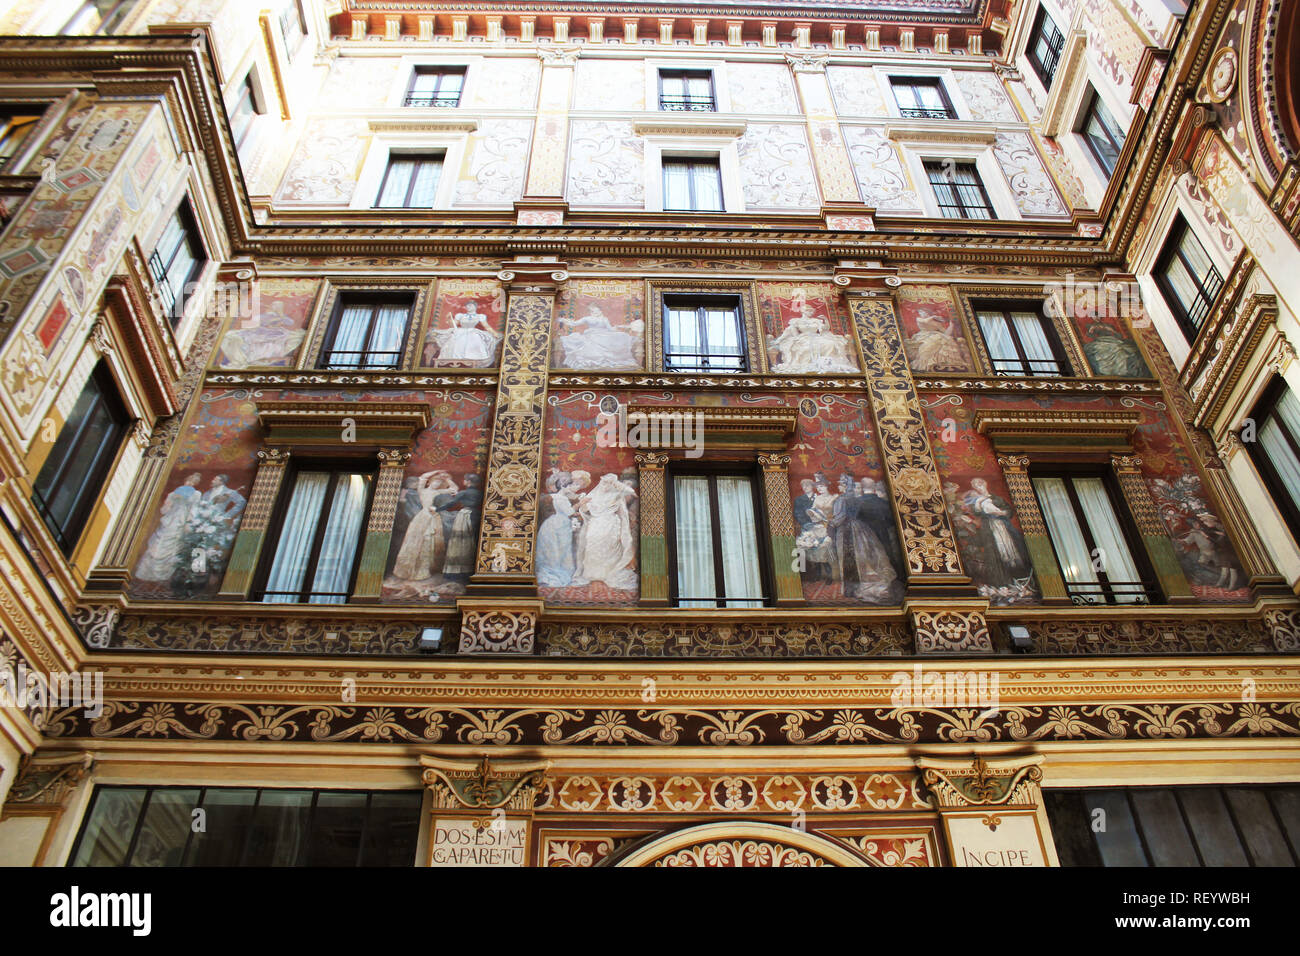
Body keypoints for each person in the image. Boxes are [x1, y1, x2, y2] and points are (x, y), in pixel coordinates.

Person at [828, 473, 902, 603]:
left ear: (845, 486)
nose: (838, 486)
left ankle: (852, 589)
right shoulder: (856, 498)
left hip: (846, 531)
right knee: (862, 557)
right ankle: (860, 585)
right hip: (859, 529)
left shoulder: (841, 500)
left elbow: (840, 518)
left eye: (840, 484)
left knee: (848, 558)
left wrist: (830, 525)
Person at [572, 473, 637, 591]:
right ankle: (593, 575)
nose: (605, 485)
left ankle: (607, 575)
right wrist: (584, 504)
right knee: (592, 547)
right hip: (596, 524)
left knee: (610, 548)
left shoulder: (617, 495)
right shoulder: (595, 495)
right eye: (603, 482)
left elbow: (629, 494)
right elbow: (587, 510)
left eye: (608, 483)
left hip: (611, 524)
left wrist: (616, 484)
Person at [391, 471, 458, 580]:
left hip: (433, 517)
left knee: (428, 541)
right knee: (415, 541)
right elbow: (423, 477)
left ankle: (424, 570)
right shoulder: (422, 490)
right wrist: (438, 471)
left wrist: (446, 479)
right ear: (430, 482)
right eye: (435, 482)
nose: (436, 484)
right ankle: (409, 570)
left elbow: (454, 488)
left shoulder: (438, 492)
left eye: (438, 483)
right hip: (422, 517)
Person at [135, 472, 202, 583]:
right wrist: (171, 501)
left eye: (193, 482)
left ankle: (164, 574)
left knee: (174, 544)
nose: (189, 483)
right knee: (159, 541)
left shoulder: (196, 494)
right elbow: (163, 510)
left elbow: (194, 508)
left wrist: (189, 522)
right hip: (169, 519)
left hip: (182, 519)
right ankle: (148, 572)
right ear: (184, 481)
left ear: (195, 484)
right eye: (188, 481)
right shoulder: (173, 494)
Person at [963, 478, 1030, 582]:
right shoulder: (977, 500)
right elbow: (976, 513)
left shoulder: (997, 499)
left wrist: (1002, 513)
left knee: (1012, 548)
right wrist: (979, 502)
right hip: (990, 527)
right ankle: (1003, 579)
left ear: (985, 484)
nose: (979, 487)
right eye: (976, 486)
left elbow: (1009, 511)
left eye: (980, 484)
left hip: (1004, 526)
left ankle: (1020, 574)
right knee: (996, 550)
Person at [768, 303, 859, 374]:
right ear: (804, 311)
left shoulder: (815, 321)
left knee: (829, 344)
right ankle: (805, 364)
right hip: (803, 338)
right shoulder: (797, 321)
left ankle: (827, 364)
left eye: (812, 311)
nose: (811, 313)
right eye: (809, 311)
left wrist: (825, 320)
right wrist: (778, 340)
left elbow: (825, 328)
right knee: (805, 347)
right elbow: (788, 331)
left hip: (817, 337)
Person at [538, 471, 590, 587]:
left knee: (560, 549)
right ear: (563, 486)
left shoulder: (559, 496)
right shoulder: (561, 498)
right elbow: (569, 512)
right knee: (561, 549)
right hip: (558, 525)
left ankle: (560, 570)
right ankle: (558, 574)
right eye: (571, 485)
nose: (574, 487)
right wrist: (581, 503)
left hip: (558, 523)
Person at [218, 301, 306, 367]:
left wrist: (280, 315)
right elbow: (255, 322)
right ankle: (242, 359)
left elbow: (290, 322)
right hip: (260, 332)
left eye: (276, 305)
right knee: (232, 336)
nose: (274, 306)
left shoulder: (280, 316)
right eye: (273, 304)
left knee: (293, 337)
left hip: (275, 333)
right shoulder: (263, 316)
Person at [556, 304, 639, 369]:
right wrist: (617, 328)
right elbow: (611, 329)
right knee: (594, 344)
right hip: (594, 336)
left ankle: (599, 363)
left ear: (599, 311)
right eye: (594, 311)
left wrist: (618, 327)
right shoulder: (592, 318)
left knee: (604, 343)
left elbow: (574, 323)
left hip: (600, 336)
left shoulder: (600, 319)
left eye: (597, 311)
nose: (596, 312)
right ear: (592, 312)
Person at [435, 473, 483, 579]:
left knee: (460, 541)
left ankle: (456, 571)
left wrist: (437, 509)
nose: (464, 482)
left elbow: (451, 504)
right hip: (477, 515)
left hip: (464, 516)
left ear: (468, 482)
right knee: (471, 541)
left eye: (465, 480)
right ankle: (469, 569)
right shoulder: (480, 493)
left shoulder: (464, 492)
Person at [431, 300, 501, 366]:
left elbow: (487, 326)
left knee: (475, 339)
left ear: (475, 307)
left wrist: (494, 333)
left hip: (473, 332)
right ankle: (455, 359)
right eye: (467, 306)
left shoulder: (480, 316)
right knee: (455, 340)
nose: (468, 307)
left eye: (470, 305)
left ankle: (471, 359)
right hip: (460, 331)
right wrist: (449, 319)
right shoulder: (460, 315)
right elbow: (453, 325)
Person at [904, 308, 969, 371]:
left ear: (927, 313)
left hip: (936, 335)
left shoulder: (937, 323)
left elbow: (946, 333)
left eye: (923, 312)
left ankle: (942, 363)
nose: (921, 314)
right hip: (923, 336)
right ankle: (925, 365)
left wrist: (951, 325)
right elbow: (925, 321)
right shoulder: (919, 319)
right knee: (927, 346)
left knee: (945, 339)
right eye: (920, 312)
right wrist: (933, 317)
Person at [1083, 322, 1149, 378]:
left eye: (1097, 316)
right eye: (1095, 316)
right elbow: (1090, 334)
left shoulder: (1106, 325)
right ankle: (1121, 368)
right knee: (1115, 348)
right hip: (1101, 341)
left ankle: (1127, 365)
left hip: (1112, 340)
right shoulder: (1093, 326)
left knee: (1122, 348)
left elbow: (1116, 333)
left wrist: (1108, 330)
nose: (1097, 318)